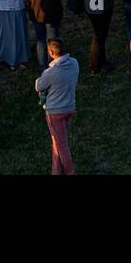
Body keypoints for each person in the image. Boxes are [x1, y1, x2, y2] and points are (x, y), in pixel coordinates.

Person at [36, 38, 79, 175]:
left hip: (54, 112)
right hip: (70, 107)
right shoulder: (74, 63)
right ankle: (56, 171)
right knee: (58, 141)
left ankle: (70, 171)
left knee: (61, 144)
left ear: (51, 52)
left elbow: (39, 86)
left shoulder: (50, 73)